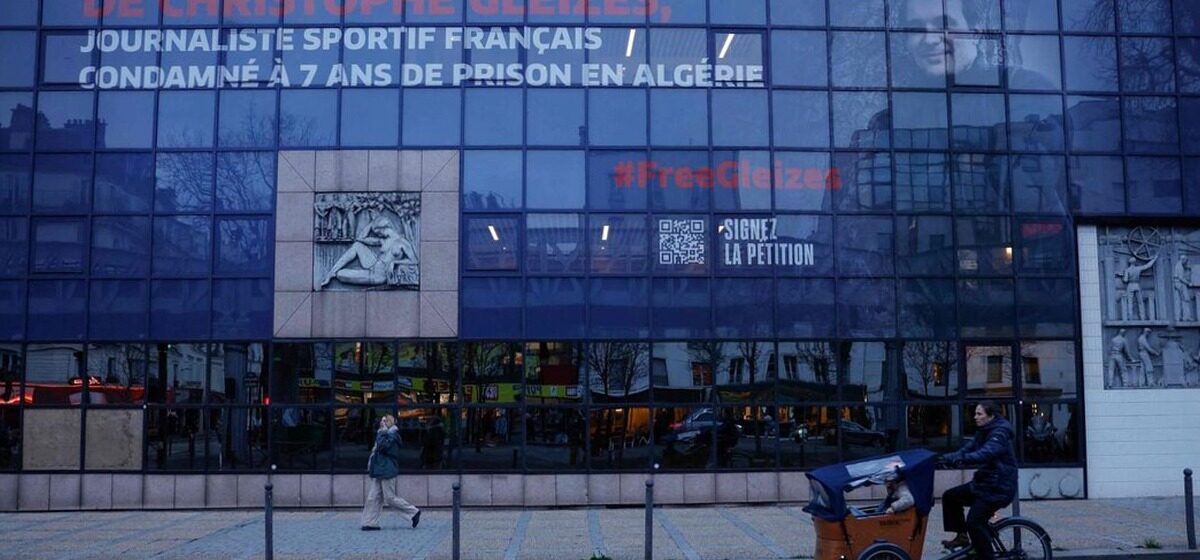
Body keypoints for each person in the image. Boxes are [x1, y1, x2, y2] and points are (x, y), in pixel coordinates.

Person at [939, 402, 1018, 560]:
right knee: (950, 496)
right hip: (985, 484)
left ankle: (986, 556)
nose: (975, 417)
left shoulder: (999, 433)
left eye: (979, 414)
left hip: (998, 488)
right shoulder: (984, 431)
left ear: (991, 416)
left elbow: (985, 453)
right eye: (975, 413)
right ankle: (962, 537)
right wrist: (946, 458)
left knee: (974, 522)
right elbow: (968, 448)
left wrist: (962, 459)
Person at [361, 415, 421, 531]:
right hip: (379, 470)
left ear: (394, 422)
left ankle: (413, 512)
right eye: (383, 420)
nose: (384, 422)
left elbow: (383, 447)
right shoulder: (383, 434)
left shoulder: (393, 435)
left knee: (390, 498)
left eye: (387, 420)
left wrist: (381, 432)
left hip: (387, 469)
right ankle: (370, 522)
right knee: (373, 497)